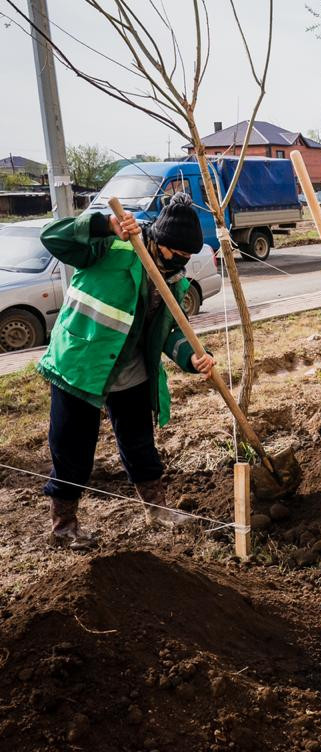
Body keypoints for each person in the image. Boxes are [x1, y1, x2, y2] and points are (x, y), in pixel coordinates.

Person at [37, 194, 216, 549]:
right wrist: (105, 224)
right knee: (72, 447)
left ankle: (157, 510)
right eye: (176, 254)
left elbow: (169, 332)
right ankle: (63, 527)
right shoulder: (112, 247)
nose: (181, 262)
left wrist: (194, 358)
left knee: (139, 443)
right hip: (82, 363)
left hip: (131, 370)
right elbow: (52, 237)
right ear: (159, 241)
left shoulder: (174, 280)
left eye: (187, 257)